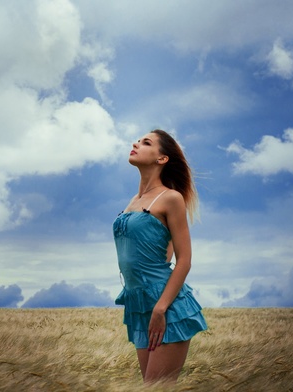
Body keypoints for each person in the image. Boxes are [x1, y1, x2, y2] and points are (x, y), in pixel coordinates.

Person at [113, 129, 207, 384]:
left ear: (162, 158)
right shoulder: (135, 200)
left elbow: (184, 260)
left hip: (165, 306)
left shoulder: (171, 199)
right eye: (138, 140)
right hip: (138, 304)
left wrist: (161, 307)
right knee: (149, 387)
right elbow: (160, 252)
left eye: (146, 143)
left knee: (157, 387)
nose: (135, 143)